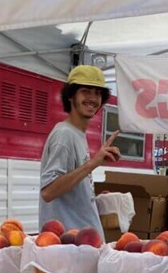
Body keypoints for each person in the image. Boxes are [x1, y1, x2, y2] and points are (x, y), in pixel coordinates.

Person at [39, 65, 121, 234]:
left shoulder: (77, 134)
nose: (92, 98)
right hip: (69, 248)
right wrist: (92, 164)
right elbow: (48, 191)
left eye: (98, 93)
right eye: (85, 91)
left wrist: (90, 196)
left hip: (82, 244)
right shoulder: (64, 134)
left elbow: (69, 186)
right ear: (70, 96)